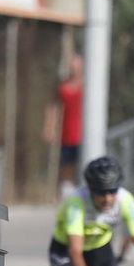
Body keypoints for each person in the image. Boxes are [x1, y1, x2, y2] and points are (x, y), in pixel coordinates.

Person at [44, 55, 84, 199]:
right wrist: (49, 127)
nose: (74, 70)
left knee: (82, 163)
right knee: (66, 165)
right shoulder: (62, 87)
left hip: (84, 134)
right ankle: (65, 194)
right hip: (67, 133)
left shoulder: (87, 86)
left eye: (77, 67)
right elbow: (53, 107)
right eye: (72, 67)